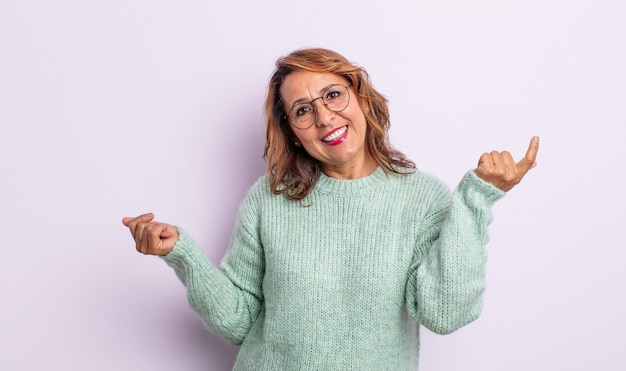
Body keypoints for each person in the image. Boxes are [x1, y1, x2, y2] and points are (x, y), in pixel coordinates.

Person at [122, 48, 539, 370]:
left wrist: (477, 199)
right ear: (293, 132)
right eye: (303, 111)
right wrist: (181, 252)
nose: (324, 117)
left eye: (333, 95)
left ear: (360, 98)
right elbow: (238, 322)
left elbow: (445, 313)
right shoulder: (268, 200)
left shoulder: (423, 199)